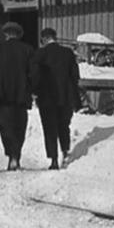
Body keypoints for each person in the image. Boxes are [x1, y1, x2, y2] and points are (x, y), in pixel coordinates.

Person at [30, 27, 82, 170]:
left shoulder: (40, 54)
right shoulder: (68, 53)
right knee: (63, 126)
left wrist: (34, 91)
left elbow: (34, 76)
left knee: (49, 128)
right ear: (55, 37)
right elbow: (75, 76)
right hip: (65, 97)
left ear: (44, 39)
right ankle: (65, 153)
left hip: (46, 98)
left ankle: (53, 160)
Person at [0, 21, 33, 171]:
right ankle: (15, 155)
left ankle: (11, 155)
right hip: (21, 95)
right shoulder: (27, 49)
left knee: (5, 126)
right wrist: (29, 91)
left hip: (2, 95)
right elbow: (33, 74)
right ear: (19, 35)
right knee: (20, 126)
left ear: (6, 34)